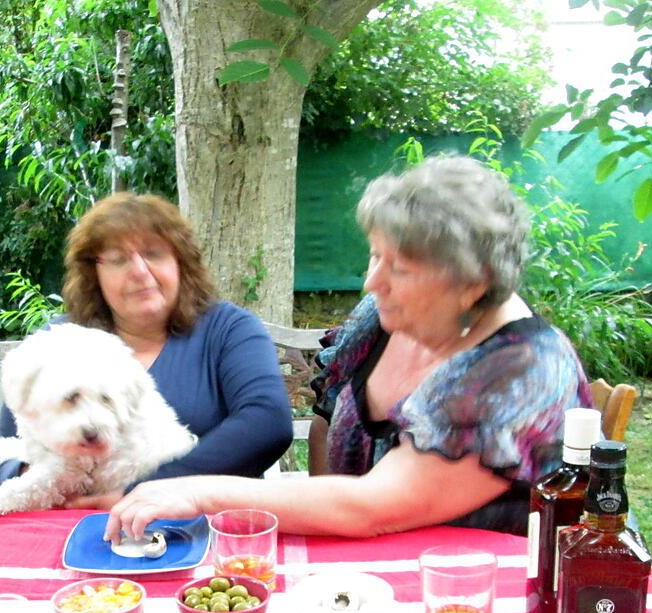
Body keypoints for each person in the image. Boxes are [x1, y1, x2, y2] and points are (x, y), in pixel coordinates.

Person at [107, 154, 592, 540]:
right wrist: (324, 520)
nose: (370, 282)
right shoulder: (384, 317)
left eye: (398, 268)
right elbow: (326, 424)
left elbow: (370, 507)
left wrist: (194, 492)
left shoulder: (522, 371)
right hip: (373, 580)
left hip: (499, 602)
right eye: (374, 255)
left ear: (473, 282)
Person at [0, 192, 293, 506]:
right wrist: (27, 475)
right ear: (94, 274)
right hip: (72, 528)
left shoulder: (229, 329)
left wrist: (144, 492)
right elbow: (9, 446)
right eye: (118, 259)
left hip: (204, 524)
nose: (139, 271)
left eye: (154, 253)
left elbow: (268, 422)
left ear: (181, 264)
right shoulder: (58, 343)